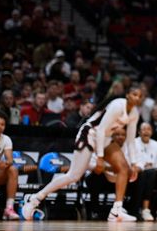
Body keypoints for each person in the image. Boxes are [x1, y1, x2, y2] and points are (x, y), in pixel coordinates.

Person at [22, 84, 142, 221]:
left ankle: (116, 211)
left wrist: (134, 163)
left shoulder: (134, 114)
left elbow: (131, 140)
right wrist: (100, 158)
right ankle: (35, 198)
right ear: (127, 95)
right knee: (73, 176)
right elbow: (101, 129)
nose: (137, 98)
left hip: (105, 138)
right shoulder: (117, 105)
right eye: (134, 94)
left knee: (124, 169)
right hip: (90, 134)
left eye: (139, 96)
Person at [131, 122, 157, 221]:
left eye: (149, 129)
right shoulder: (133, 143)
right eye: (144, 129)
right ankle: (145, 209)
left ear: (152, 132)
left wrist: (155, 166)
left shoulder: (156, 144)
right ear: (139, 132)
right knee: (150, 173)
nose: (146, 131)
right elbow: (133, 161)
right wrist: (144, 165)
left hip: (152, 172)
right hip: (138, 173)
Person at [0, 110, 19, 219]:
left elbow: (10, 159)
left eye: (2, 124)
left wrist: (5, 164)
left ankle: (9, 208)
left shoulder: (6, 139)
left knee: (13, 169)